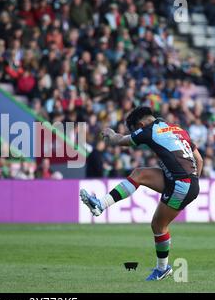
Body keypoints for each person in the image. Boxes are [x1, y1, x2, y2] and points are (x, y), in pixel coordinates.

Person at [80, 106, 203, 281]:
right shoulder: (178, 129)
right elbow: (199, 159)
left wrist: (109, 132)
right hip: (184, 181)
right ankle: (100, 204)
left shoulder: (148, 130)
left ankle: (162, 269)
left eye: (135, 129)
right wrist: (193, 182)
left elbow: (119, 140)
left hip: (181, 185)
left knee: (158, 226)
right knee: (140, 174)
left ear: (140, 124)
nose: (136, 133)